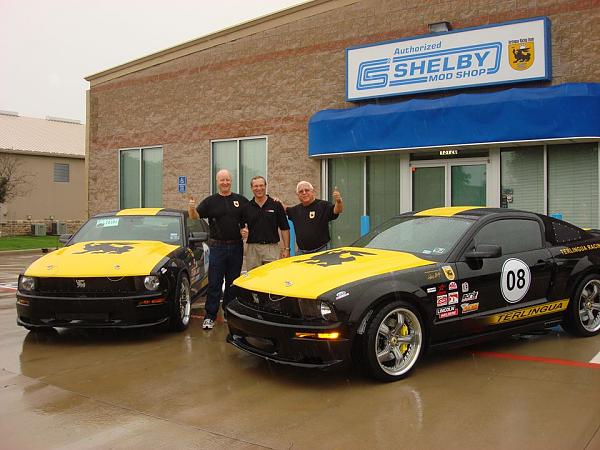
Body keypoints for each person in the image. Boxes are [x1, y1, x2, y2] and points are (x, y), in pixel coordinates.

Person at [188, 169, 248, 330]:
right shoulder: (210, 201)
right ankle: (210, 316)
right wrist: (191, 208)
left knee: (232, 282)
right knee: (214, 283)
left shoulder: (240, 200)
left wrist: (246, 230)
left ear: (231, 181)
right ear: (217, 182)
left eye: (227, 180)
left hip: (236, 246)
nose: (225, 183)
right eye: (222, 180)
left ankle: (229, 313)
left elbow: (249, 218)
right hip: (217, 248)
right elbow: (195, 217)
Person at [241, 176, 290, 271]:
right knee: (253, 280)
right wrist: (243, 232)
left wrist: (287, 249)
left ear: (266, 186)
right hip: (252, 249)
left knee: (271, 279)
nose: (259, 188)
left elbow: (284, 228)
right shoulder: (246, 207)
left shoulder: (276, 205)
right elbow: (242, 228)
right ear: (251, 188)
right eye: (255, 186)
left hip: (272, 248)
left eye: (261, 185)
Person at [286, 181, 343, 255]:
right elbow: (283, 209)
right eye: (301, 191)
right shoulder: (295, 210)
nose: (304, 193)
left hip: (321, 251)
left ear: (312, 191)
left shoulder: (323, 205)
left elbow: (337, 210)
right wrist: (276, 201)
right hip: (302, 252)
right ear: (298, 195)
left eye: (307, 190)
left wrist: (338, 201)